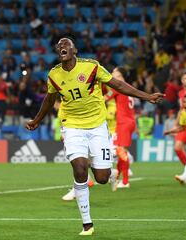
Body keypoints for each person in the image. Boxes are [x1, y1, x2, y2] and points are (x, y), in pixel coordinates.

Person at [25, 38, 164, 236]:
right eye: (59, 46)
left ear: (75, 50)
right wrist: (37, 120)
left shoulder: (91, 67)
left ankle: (97, 164)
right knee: (79, 168)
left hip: (98, 127)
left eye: (66, 45)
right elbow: (49, 99)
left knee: (102, 177)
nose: (62, 47)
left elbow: (118, 85)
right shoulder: (54, 74)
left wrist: (147, 96)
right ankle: (87, 223)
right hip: (72, 127)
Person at [105, 67, 136, 189]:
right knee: (121, 151)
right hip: (131, 121)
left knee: (121, 151)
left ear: (120, 76)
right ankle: (118, 178)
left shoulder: (118, 87)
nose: (112, 76)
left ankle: (125, 181)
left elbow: (104, 98)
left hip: (123, 122)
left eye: (114, 74)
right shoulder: (128, 86)